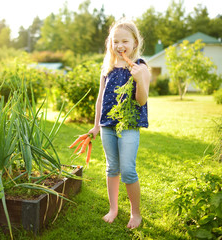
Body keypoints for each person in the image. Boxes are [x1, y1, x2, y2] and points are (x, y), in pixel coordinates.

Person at [88, 18, 150, 229]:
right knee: (112, 167)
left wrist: (139, 79)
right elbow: (100, 98)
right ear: (110, 44)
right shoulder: (107, 67)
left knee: (128, 169)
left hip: (129, 126)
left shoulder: (141, 67)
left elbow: (142, 100)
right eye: (115, 42)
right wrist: (96, 125)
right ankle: (113, 209)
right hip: (107, 125)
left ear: (134, 42)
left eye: (125, 41)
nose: (120, 46)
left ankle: (136, 213)